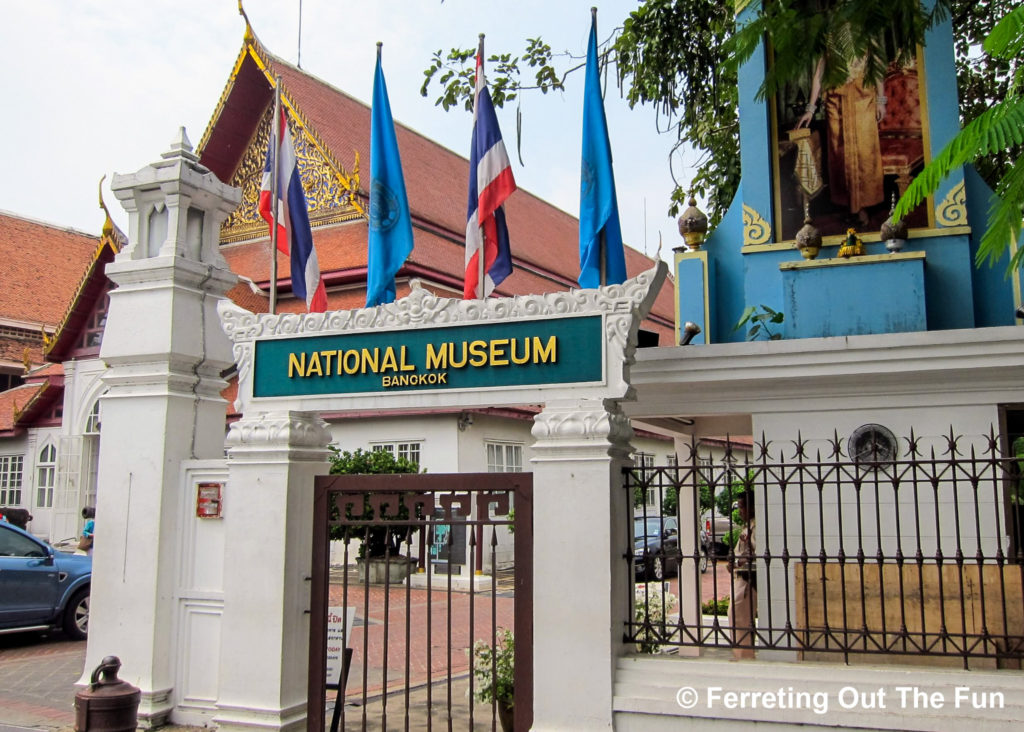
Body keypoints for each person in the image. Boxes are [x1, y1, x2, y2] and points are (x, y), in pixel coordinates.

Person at [795, 55, 886, 228]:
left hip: (863, 100)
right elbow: (819, 76)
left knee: (864, 152)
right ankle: (851, 208)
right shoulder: (830, 38)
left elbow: (877, 68)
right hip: (836, 103)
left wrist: (881, 102)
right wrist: (811, 110)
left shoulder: (864, 36)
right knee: (840, 155)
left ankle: (863, 207)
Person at [729, 491, 756, 659]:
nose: (739, 511)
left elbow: (757, 553)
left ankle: (744, 656)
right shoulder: (748, 526)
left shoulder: (755, 527)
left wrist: (739, 562)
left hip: (748, 580)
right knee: (737, 617)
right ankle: (741, 653)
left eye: (741, 507)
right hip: (742, 578)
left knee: (739, 617)